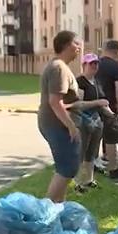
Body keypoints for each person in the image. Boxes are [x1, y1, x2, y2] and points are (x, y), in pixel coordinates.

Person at [37, 31, 84, 202]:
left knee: (66, 168)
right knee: (66, 169)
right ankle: (46, 213)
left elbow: (64, 101)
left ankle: (58, 209)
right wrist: (71, 126)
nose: (78, 47)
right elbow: (55, 102)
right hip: (58, 125)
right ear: (65, 45)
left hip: (56, 124)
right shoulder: (59, 68)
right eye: (75, 43)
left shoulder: (59, 66)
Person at [74, 53, 112, 193]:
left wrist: (108, 111)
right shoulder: (80, 82)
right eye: (91, 64)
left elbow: (102, 100)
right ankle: (77, 182)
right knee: (81, 152)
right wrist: (98, 102)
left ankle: (89, 180)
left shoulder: (96, 82)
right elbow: (78, 104)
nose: (94, 66)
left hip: (96, 120)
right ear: (84, 65)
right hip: (83, 121)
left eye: (96, 63)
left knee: (92, 152)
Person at [96, 40, 118, 178]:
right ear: (116, 51)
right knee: (111, 137)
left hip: (94, 103)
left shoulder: (94, 64)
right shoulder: (116, 66)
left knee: (94, 135)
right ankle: (113, 168)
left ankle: (94, 163)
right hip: (109, 105)